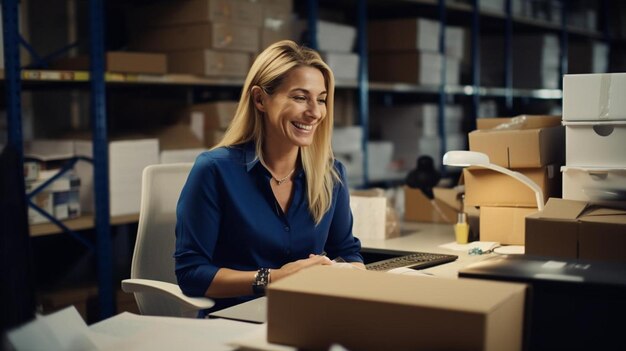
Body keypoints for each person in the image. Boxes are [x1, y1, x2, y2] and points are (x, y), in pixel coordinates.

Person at [174, 40, 365, 312]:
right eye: (300, 97)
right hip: (232, 321)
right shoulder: (215, 170)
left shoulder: (331, 174)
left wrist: (351, 271)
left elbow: (346, 251)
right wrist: (274, 278)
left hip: (304, 315)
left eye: (321, 100)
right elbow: (191, 275)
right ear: (260, 99)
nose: (314, 112)